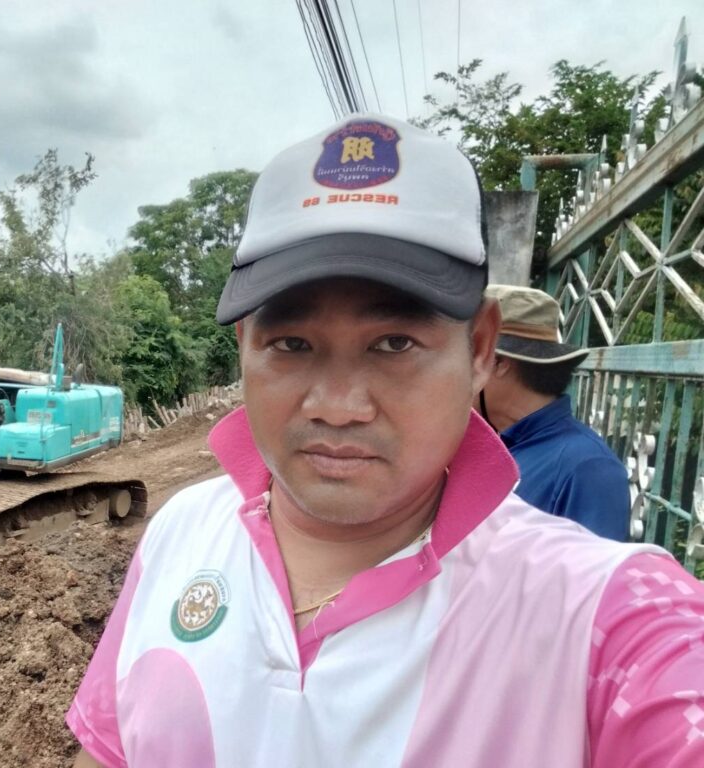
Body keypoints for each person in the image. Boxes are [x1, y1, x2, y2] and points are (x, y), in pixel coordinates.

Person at [68, 114, 704, 767]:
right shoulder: (180, 531)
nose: (338, 407)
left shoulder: (601, 617)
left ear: (480, 349)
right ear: (244, 346)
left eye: (394, 343)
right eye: (292, 344)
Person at [477, 284, 630, 541]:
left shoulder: (589, 468)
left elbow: (591, 566)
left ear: (499, 363)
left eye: (470, 359)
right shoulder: (490, 445)